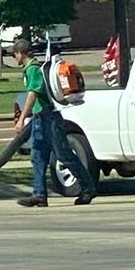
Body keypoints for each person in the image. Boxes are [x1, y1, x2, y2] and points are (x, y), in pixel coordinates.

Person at [18, 38, 94, 206]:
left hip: (49, 119)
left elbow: (33, 93)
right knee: (37, 157)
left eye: (14, 54)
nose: (14, 57)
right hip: (39, 119)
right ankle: (39, 195)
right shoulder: (32, 68)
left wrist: (22, 118)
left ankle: (88, 188)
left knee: (64, 155)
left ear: (20, 54)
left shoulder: (33, 69)